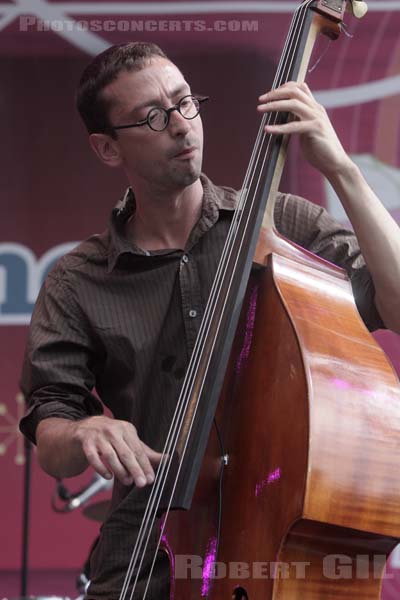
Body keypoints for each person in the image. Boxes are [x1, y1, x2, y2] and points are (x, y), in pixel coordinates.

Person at [19, 41, 400, 599]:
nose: (181, 126)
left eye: (185, 103)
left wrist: (341, 169)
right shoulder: (78, 280)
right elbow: (51, 437)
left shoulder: (285, 224)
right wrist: (83, 430)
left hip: (279, 554)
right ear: (107, 148)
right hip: (146, 558)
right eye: (153, 116)